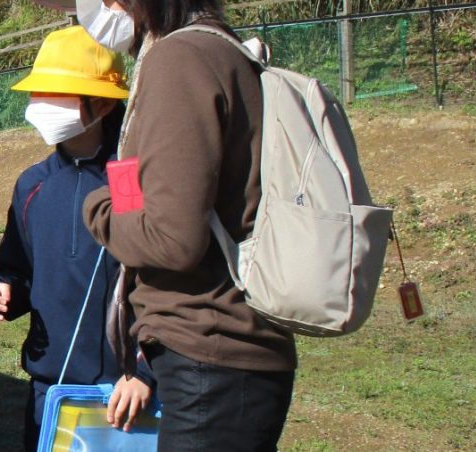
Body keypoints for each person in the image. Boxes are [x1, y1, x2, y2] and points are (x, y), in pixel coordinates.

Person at [76, 0, 298, 450]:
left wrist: (96, 208)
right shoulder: (215, 48)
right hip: (224, 356)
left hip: (211, 355)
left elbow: (172, 239)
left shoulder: (179, 59)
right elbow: (149, 193)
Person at [0, 26, 153, 450]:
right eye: (37, 93)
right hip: (49, 393)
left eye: (55, 95)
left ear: (103, 103)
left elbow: (160, 278)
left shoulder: (128, 177)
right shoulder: (32, 185)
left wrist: (147, 369)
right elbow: (18, 272)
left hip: (125, 393)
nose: (39, 106)